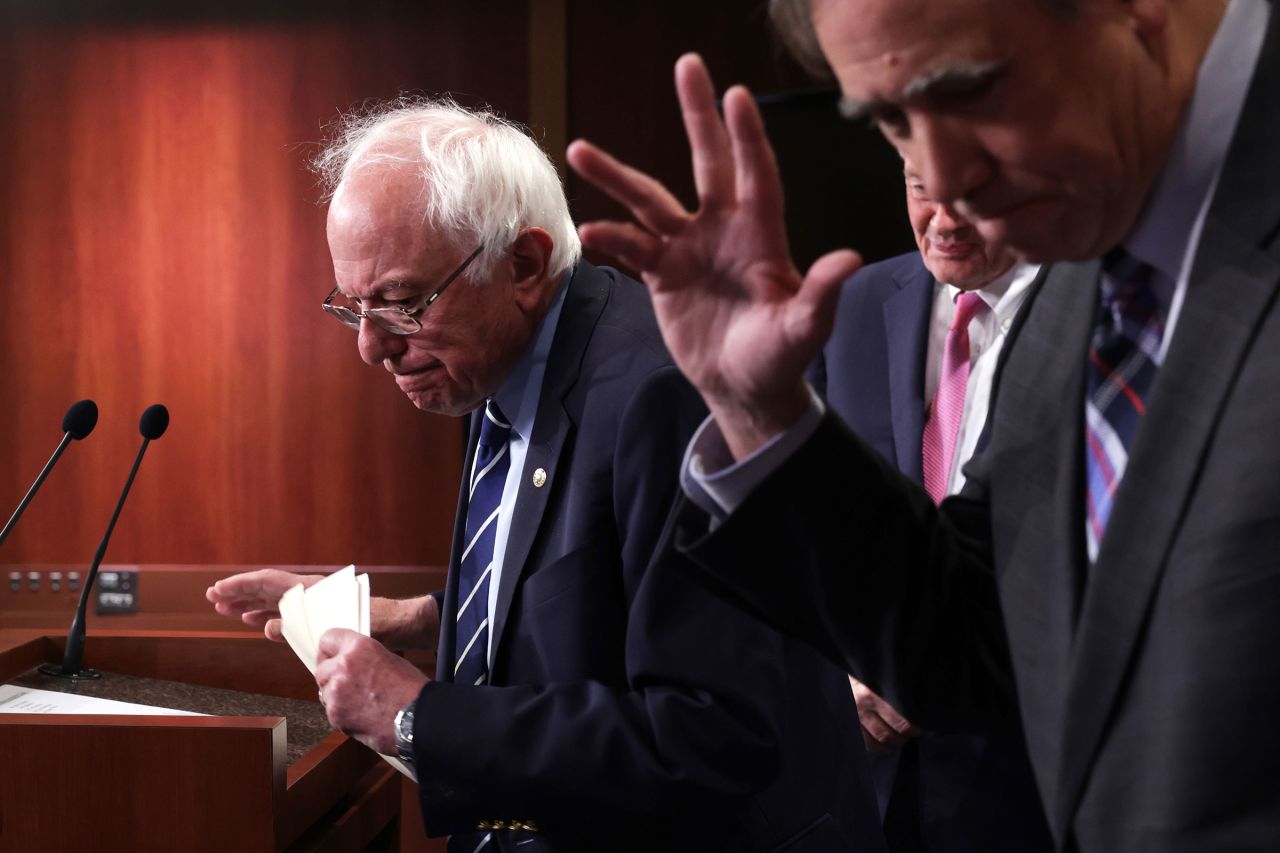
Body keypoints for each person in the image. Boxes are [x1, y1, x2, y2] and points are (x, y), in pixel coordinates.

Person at [566, 0, 1280, 848]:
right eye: (896, 122)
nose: (940, 185)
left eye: (972, 90)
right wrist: (763, 411)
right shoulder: (1092, 231)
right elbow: (980, 634)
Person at [207, 99, 885, 852]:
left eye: (400, 304)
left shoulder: (661, 397)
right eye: (353, 306)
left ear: (522, 264)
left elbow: (712, 733)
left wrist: (418, 715)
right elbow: (606, 587)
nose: (372, 347)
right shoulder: (497, 354)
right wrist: (425, 618)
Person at [813, 165, 1051, 852]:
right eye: (921, 188)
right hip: (865, 783)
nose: (943, 219)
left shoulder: (1094, 314)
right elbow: (808, 531)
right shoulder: (854, 303)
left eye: (970, 195)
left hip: (1023, 779)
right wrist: (839, 672)